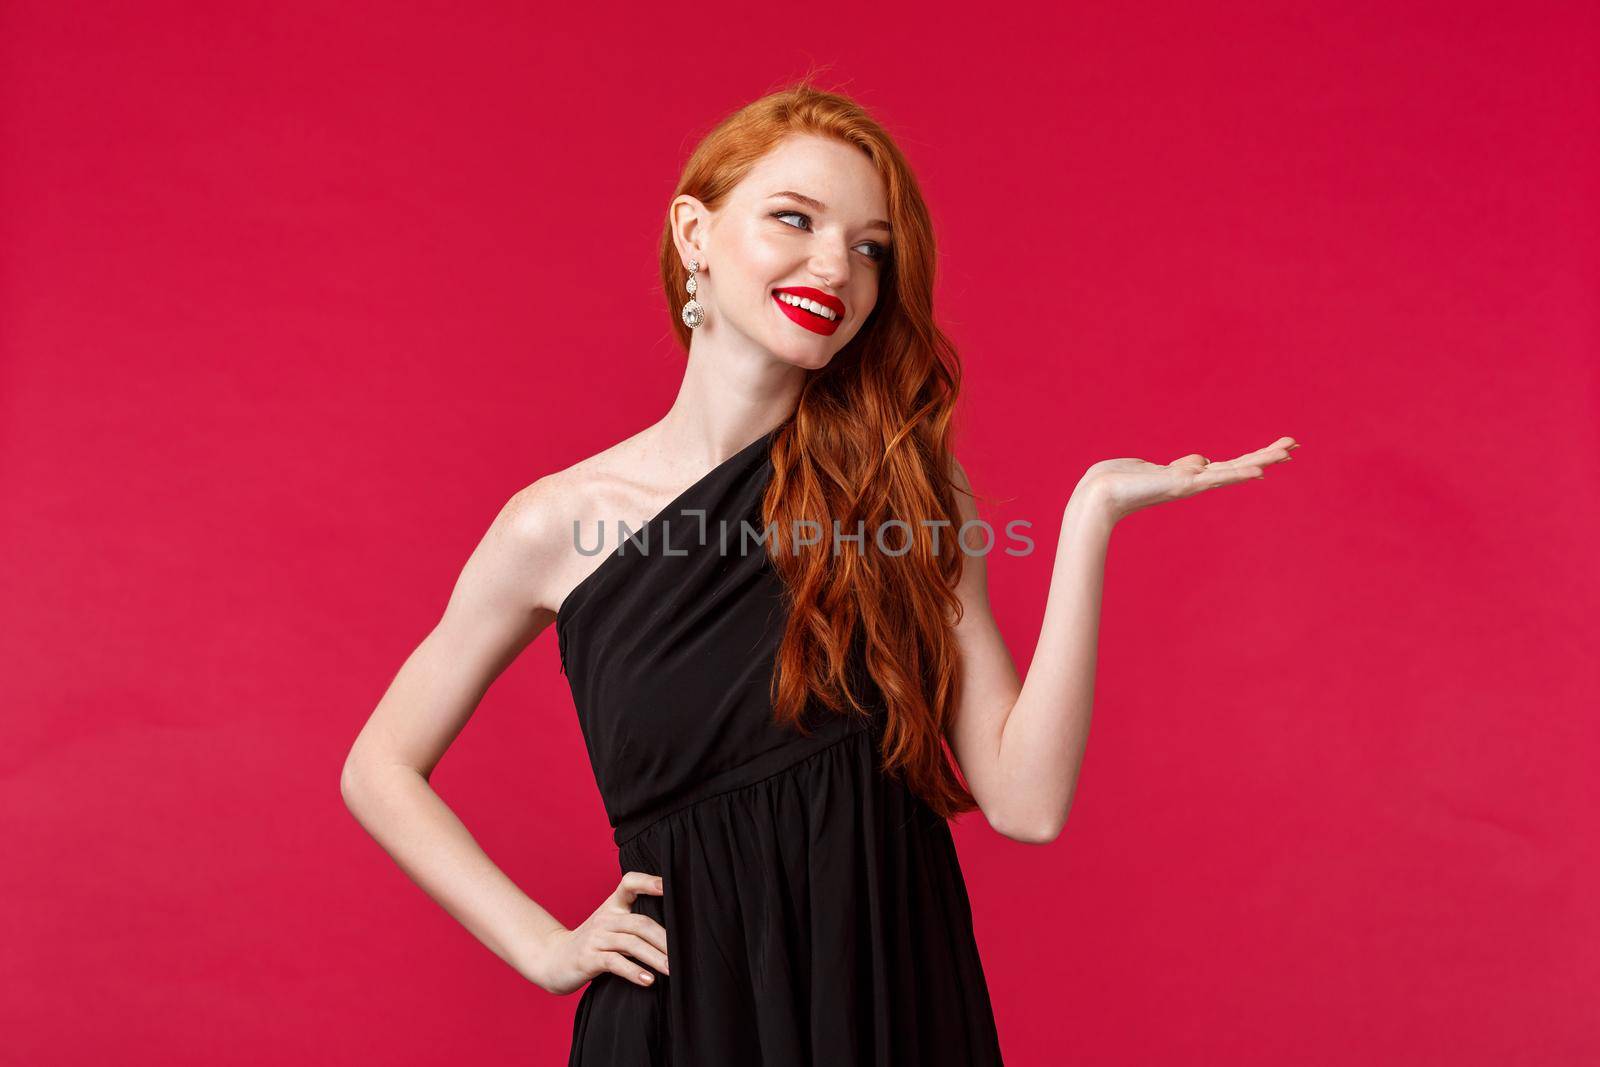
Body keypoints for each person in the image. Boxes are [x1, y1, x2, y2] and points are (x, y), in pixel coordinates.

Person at [340, 78, 1297, 1065]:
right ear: (694, 235)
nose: (835, 263)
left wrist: (1089, 515)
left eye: (870, 245)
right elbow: (379, 765)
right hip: (690, 1019)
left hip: (891, 1004)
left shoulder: (903, 489)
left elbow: (1027, 800)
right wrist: (542, 943)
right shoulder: (556, 524)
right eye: (793, 218)